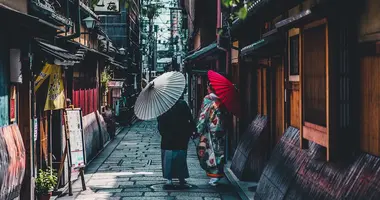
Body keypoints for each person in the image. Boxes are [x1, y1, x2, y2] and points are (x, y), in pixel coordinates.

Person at [157, 92, 196, 187]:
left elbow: (160, 121)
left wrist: (163, 132)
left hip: (168, 136)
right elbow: (190, 118)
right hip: (181, 135)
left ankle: (169, 179)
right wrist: (192, 130)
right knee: (181, 156)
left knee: (168, 157)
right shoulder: (183, 104)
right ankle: (181, 177)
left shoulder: (163, 106)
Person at [193, 82, 226, 186]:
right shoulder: (221, 99)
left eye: (208, 87)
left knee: (209, 152)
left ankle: (213, 175)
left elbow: (203, 115)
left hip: (209, 131)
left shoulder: (208, 98)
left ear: (210, 88)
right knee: (219, 152)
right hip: (219, 129)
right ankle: (218, 174)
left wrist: (199, 129)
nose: (207, 88)